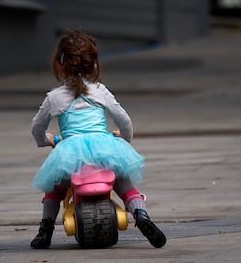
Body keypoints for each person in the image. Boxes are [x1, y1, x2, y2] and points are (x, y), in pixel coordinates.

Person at [30, 29, 166, 249]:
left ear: (60, 64)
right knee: (124, 184)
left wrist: (44, 140)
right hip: (105, 147)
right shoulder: (100, 91)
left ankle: (45, 229)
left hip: (70, 150)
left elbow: (37, 126)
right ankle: (142, 216)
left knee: (55, 188)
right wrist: (125, 137)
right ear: (94, 65)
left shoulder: (54, 97)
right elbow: (123, 118)